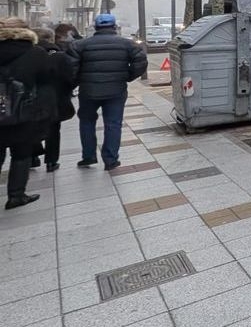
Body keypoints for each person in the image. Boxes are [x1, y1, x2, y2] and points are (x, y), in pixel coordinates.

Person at [66, 14, 147, 170]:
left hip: (88, 92)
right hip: (116, 91)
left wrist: (78, 82)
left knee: (87, 122)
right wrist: (128, 77)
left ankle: (88, 156)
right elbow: (141, 61)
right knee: (113, 124)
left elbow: (71, 69)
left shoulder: (80, 45)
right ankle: (110, 160)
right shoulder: (127, 44)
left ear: (96, 28)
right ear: (115, 27)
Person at [0, 17, 56, 209]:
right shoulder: (35, 53)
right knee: (21, 154)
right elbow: (48, 81)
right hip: (23, 111)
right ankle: (16, 195)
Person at [31, 27, 75, 173]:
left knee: (30, 129)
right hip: (55, 99)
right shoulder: (60, 56)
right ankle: (51, 161)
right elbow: (71, 78)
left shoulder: (28, 54)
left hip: (31, 99)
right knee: (53, 130)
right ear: (51, 39)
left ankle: (32, 157)